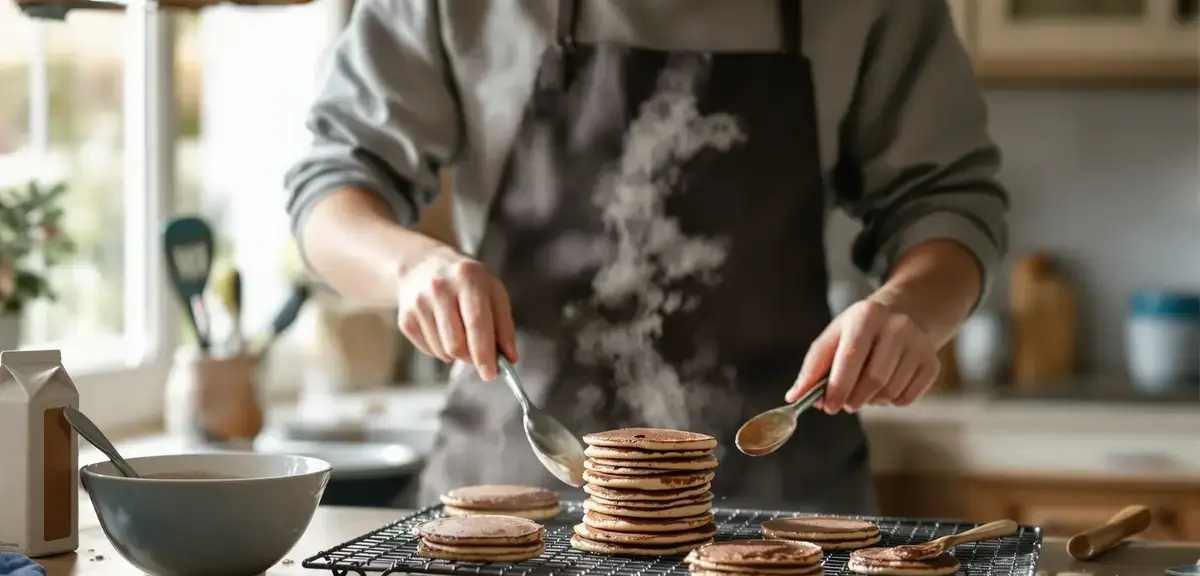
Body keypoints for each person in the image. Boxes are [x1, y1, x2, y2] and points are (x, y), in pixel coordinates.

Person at [284, 0, 1009, 514]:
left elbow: (948, 203)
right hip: (514, 510)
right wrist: (412, 268)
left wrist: (905, 308)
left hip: (786, 515)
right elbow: (333, 191)